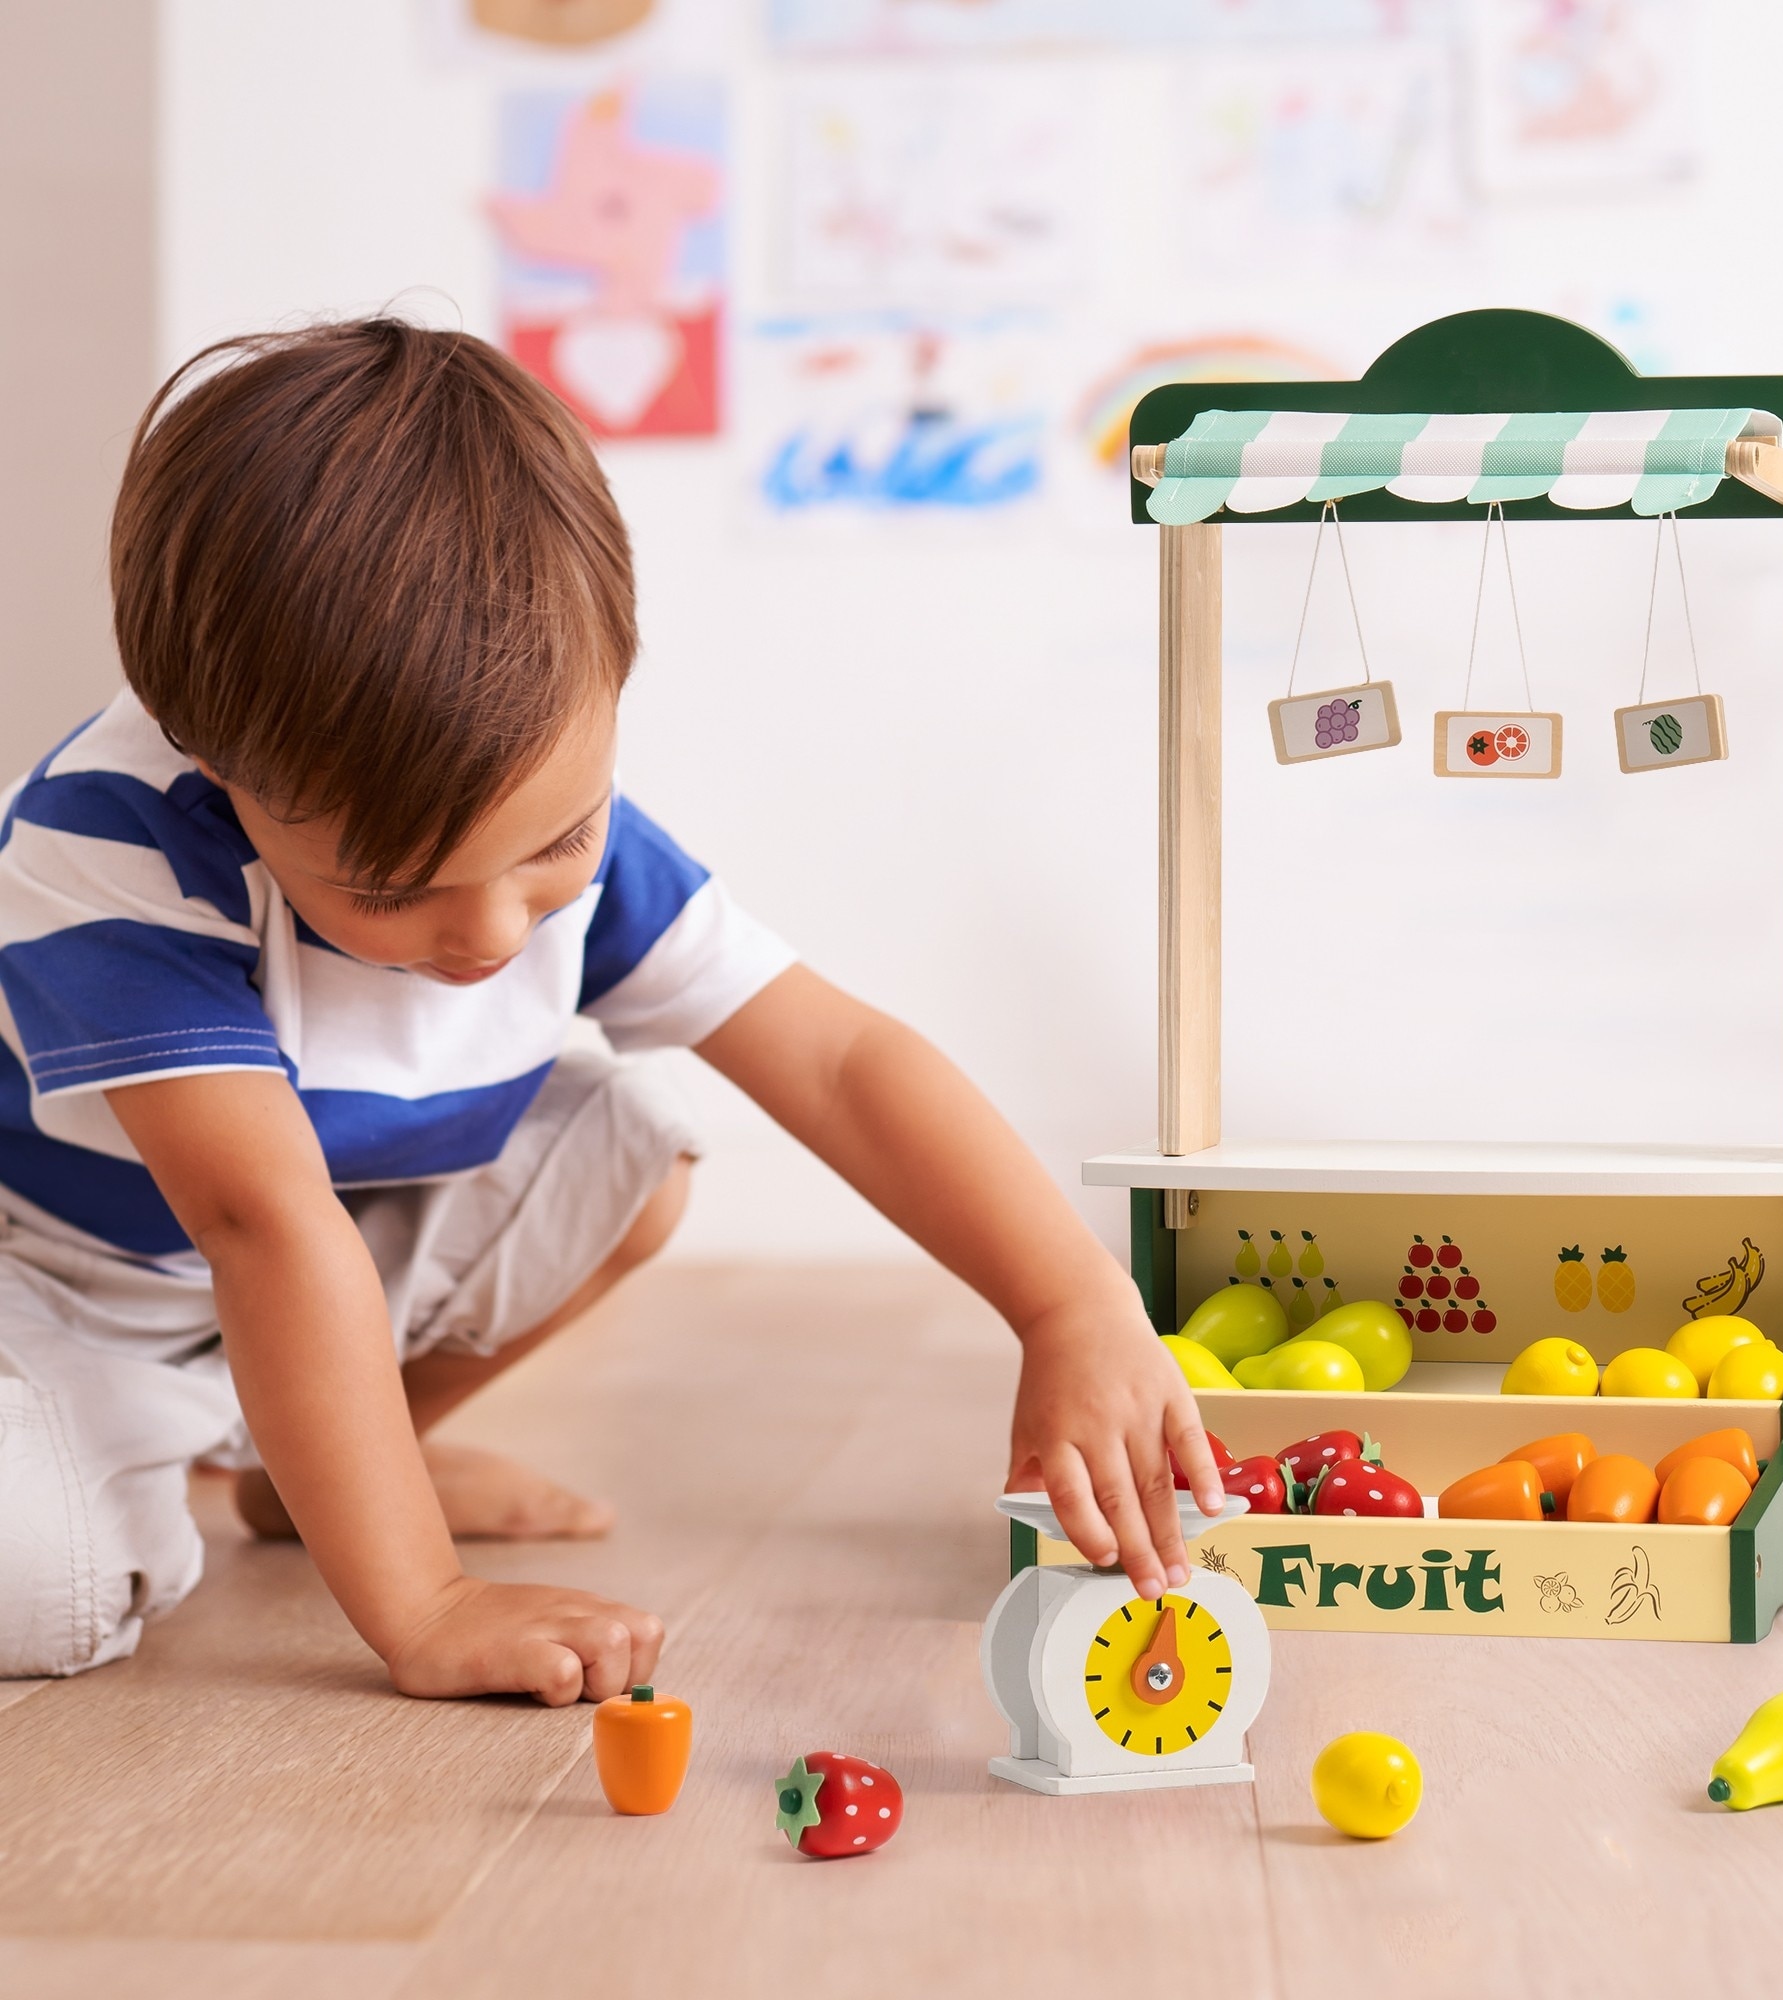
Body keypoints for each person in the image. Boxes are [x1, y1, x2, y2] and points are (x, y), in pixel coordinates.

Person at [0, 319, 1223, 1700]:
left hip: (303, 1264)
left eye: (552, 846)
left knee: (631, 1150)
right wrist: (426, 1602)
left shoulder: (544, 826)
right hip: (65, 1290)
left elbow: (835, 1057)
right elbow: (258, 1226)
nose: (491, 929)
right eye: (395, 887)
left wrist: (1071, 1303)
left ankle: (323, 1467)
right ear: (214, 760)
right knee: (35, 1588)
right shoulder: (110, 851)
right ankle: (242, 1479)